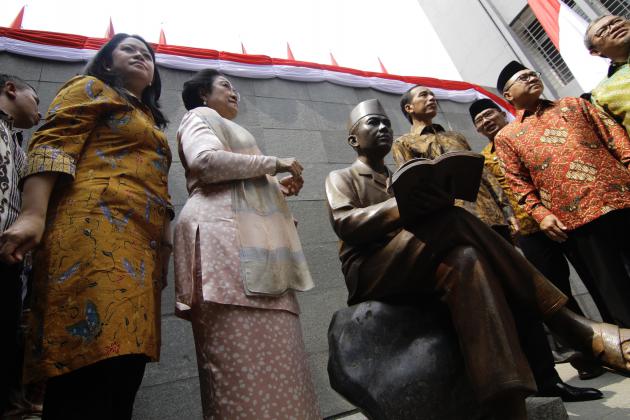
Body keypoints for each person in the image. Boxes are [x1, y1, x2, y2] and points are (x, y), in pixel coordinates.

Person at [324, 99, 630, 419]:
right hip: (371, 270)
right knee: (455, 219)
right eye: (373, 123)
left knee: (467, 259)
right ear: (353, 139)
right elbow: (346, 223)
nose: (383, 128)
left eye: (386, 123)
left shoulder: (397, 176)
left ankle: (507, 399)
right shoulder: (342, 177)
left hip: (417, 260)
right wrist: (405, 205)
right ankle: (569, 324)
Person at [0, 34, 173, 420]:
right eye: (129, 49)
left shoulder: (150, 122)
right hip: (92, 231)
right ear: (107, 61)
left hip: (141, 255)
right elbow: (52, 145)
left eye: (147, 54)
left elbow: (161, 193)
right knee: (88, 360)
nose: (141, 56)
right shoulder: (90, 88)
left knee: (127, 366)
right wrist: (33, 214)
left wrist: (165, 251)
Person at [174, 69, 320, 420]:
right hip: (223, 248)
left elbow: (238, 185)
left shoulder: (226, 128)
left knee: (286, 362)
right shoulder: (198, 116)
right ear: (203, 95)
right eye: (225, 85)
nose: (234, 91)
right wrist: (273, 164)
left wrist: (273, 188)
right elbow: (205, 162)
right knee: (237, 365)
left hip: (253, 252)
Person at [470, 98, 605, 379]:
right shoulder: (484, 159)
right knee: (557, 294)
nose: (486, 121)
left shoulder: (529, 133)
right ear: (477, 129)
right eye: (479, 120)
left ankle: (618, 337)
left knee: (596, 276)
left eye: (489, 114)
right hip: (529, 232)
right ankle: (587, 355)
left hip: (563, 216)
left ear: (502, 113)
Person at [494, 60, 630, 329]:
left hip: (620, 195)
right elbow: (517, 182)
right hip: (577, 217)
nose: (531, 78)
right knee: (612, 285)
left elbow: (613, 135)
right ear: (508, 95)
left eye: (532, 73)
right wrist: (541, 214)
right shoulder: (507, 137)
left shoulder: (574, 104)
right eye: (522, 78)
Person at [392, 85, 515, 241]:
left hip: (494, 217)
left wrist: (508, 212)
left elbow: (483, 174)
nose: (432, 98)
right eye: (424, 95)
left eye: (432, 94)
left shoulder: (456, 137)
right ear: (409, 108)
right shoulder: (404, 143)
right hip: (456, 225)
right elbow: (414, 190)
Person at [0, 74, 40, 417]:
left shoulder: (17, 143)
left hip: (8, 258)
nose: (39, 113)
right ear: (11, 89)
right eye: (36, 101)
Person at [585, 14, 630, 134]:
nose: (615, 27)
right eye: (602, 31)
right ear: (595, 52)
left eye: (617, 21)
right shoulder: (600, 94)